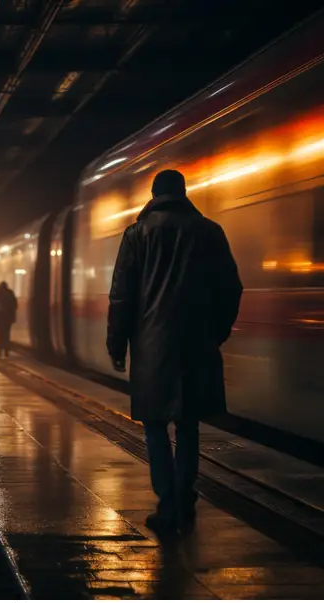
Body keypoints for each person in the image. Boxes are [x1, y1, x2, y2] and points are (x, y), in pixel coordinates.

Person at [107, 169, 242, 535]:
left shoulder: (136, 235)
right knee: (188, 425)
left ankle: (168, 501)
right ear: (183, 194)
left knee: (154, 426)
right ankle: (184, 495)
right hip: (197, 346)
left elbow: (121, 296)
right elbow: (231, 287)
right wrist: (216, 332)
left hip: (152, 349)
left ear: (153, 196)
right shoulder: (210, 232)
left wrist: (117, 345)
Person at [0, 281, 17, 359]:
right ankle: (6, 351)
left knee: (0, 335)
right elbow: (15, 305)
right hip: (7, 319)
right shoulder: (10, 293)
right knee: (6, 334)